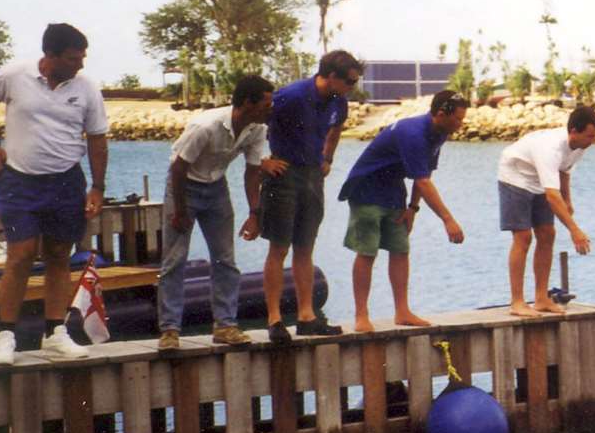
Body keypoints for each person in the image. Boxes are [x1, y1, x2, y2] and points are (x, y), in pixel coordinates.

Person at [0, 23, 108, 363]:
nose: (80, 64)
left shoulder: (87, 89)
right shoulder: (14, 75)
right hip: (19, 180)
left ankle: (54, 332)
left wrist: (97, 186)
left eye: (83, 58)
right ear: (49, 56)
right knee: (19, 255)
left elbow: (96, 138)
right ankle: (5, 336)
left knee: (59, 255)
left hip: (66, 181)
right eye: (73, 58)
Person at [156, 75, 284, 351]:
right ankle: (169, 331)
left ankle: (225, 325)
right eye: (266, 103)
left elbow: (252, 173)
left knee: (225, 259)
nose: (270, 109)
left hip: (216, 188)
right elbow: (178, 168)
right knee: (175, 260)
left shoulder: (256, 129)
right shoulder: (207, 126)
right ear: (248, 103)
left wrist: (254, 213)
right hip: (183, 186)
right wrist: (179, 211)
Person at [338, 90, 468, 332]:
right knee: (367, 251)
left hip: (393, 191)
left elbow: (424, 175)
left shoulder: (440, 133)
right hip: (366, 190)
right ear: (441, 114)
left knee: (400, 249)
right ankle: (361, 315)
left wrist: (413, 208)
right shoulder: (413, 133)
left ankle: (402, 311)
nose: (462, 124)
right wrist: (448, 220)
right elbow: (423, 181)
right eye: (459, 119)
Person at [260, 49, 364, 343]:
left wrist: (327, 158)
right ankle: (275, 319)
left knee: (305, 246)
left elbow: (336, 129)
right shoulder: (291, 96)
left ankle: (307, 316)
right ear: (331, 76)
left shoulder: (338, 101)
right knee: (279, 247)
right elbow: (255, 121)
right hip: (283, 173)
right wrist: (262, 161)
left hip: (312, 175)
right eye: (350, 82)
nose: (352, 87)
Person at [498, 105, 595, 317]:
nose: (594, 141)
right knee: (523, 237)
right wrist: (575, 231)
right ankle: (517, 302)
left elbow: (564, 171)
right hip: (514, 176)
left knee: (547, 234)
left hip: (540, 181)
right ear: (574, 131)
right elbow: (552, 196)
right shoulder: (551, 148)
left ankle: (541, 298)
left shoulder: (580, 147)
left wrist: (568, 200)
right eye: (590, 136)